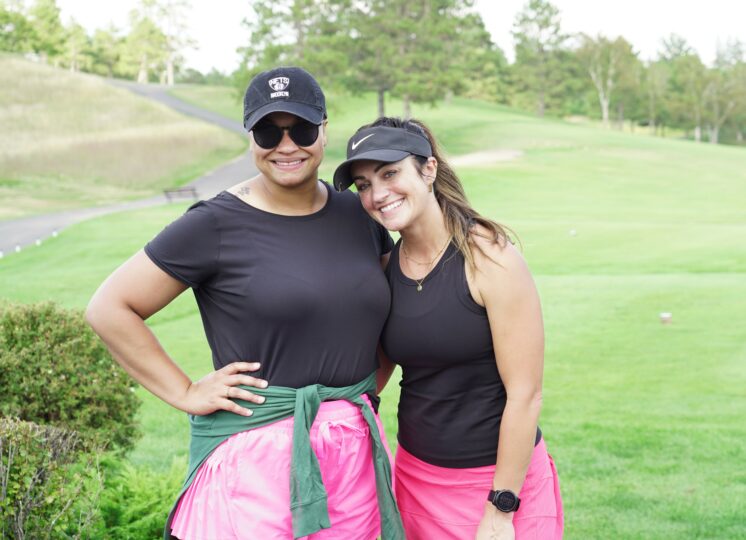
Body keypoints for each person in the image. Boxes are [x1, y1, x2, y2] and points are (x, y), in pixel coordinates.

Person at [86, 67, 404, 540]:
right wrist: (186, 392)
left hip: (352, 451)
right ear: (250, 137)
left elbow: (382, 311)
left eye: (301, 128)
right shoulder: (213, 224)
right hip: (257, 460)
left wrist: (360, 392)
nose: (287, 145)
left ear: (323, 130)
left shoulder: (357, 213)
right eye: (267, 132)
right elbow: (109, 308)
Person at [333, 117, 564, 539]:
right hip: (416, 481)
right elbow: (372, 377)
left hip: (497, 486)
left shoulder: (489, 257)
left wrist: (502, 506)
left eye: (389, 173)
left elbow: (525, 395)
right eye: (364, 184)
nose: (377, 194)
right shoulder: (385, 271)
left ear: (429, 170)